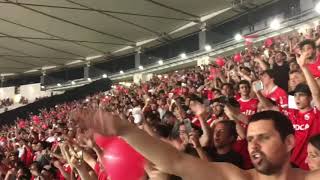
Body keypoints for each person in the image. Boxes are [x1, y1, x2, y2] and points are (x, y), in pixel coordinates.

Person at [75, 109, 320, 180]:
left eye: (264, 138)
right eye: (251, 139)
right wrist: (125, 129)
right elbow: (175, 162)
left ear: (289, 142)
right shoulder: (237, 178)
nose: (253, 145)